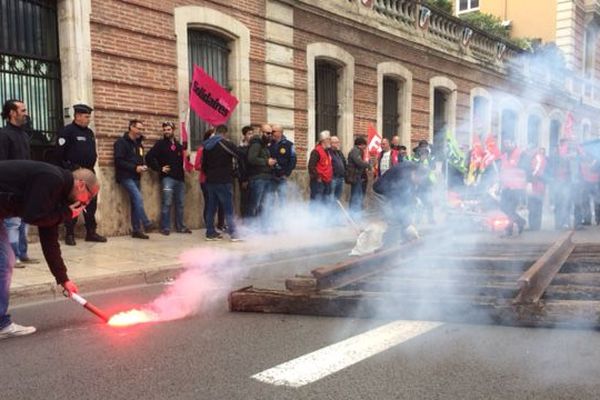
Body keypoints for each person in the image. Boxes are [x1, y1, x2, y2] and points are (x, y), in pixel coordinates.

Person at [0, 160, 92, 339]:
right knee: (4, 262)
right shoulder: (52, 179)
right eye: (87, 199)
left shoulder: (58, 195)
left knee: (6, 260)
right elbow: (33, 216)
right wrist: (65, 214)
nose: (85, 204)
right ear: (81, 185)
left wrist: (62, 278)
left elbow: (49, 238)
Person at [55, 103, 107, 245]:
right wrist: (71, 169)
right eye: (86, 116)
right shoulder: (67, 131)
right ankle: (70, 234)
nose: (88, 119)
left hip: (89, 173)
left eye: (89, 116)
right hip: (75, 173)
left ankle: (91, 232)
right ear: (77, 116)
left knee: (91, 203)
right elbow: (59, 155)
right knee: (74, 202)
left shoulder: (89, 132)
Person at [0, 99, 39, 267]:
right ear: (12, 113)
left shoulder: (24, 134)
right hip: (11, 187)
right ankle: (13, 256)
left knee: (25, 220)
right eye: (22, 110)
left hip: (26, 185)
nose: (26, 113)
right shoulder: (3, 134)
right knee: (13, 222)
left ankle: (23, 253)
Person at [146, 122, 191, 235]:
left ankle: (180, 227)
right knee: (167, 203)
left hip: (180, 179)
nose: (166, 131)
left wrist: (187, 157)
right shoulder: (160, 144)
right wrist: (159, 168)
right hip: (167, 179)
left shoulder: (180, 146)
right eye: (165, 129)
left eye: (168, 129)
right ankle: (165, 227)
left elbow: (184, 161)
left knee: (180, 204)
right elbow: (149, 157)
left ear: (173, 130)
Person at [114, 119, 155, 239]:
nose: (140, 131)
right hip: (125, 176)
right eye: (138, 128)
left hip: (137, 176)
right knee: (138, 198)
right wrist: (134, 167)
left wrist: (142, 166)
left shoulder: (139, 144)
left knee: (135, 202)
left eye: (142, 129)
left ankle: (136, 230)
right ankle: (146, 223)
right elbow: (118, 161)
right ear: (131, 127)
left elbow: (140, 159)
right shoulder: (121, 143)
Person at [201, 125, 242, 241]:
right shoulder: (227, 144)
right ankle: (234, 233)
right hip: (224, 180)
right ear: (225, 133)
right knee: (228, 207)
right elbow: (240, 155)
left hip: (210, 180)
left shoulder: (207, 145)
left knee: (211, 207)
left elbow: (203, 165)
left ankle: (210, 232)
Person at [194, 128, 225, 233]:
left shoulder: (220, 148)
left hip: (219, 180)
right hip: (206, 180)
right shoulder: (202, 149)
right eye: (212, 136)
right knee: (210, 204)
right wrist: (208, 166)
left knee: (222, 202)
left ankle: (221, 224)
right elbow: (197, 165)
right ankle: (209, 227)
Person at [247, 124, 276, 220]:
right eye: (267, 133)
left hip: (266, 177)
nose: (270, 135)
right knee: (254, 203)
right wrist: (266, 161)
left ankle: (260, 226)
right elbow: (251, 159)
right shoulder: (256, 144)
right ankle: (250, 226)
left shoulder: (264, 145)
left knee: (264, 204)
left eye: (271, 133)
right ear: (261, 132)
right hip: (258, 178)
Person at [499, 139, 527, 236]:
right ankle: (520, 221)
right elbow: (502, 170)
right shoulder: (504, 155)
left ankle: (509, 229)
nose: (506, 146)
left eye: (508, 143)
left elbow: (526, 169)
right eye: (505, 144)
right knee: (503, 207)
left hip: (516, 187)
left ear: (513, 143)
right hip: (506, 186)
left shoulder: (521, 154)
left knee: (510, 208)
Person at [269, 124, 297, 205]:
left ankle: (282, 215)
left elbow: (293, 160)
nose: (271, 133)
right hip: (270, 176)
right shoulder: (269, 143)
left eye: (273, 131)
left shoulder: (289, 145)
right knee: (269, 199)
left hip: (282, 176)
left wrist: (286, 173)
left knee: (282, 199)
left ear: (280, 132)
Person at [346, 136, 371, 218]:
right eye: (364, 145)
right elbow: (359, 162)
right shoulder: (355, 151)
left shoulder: (359, 151)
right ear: (361, 145)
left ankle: (357, 214)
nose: (365, 147)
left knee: (358, 196)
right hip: (356, 177)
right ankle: (353, 214)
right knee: (355, 196)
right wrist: (368, 165)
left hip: (359, 177)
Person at [308, 130, 333, 206]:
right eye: (329, 139)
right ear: (323, 140)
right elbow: (311, 166)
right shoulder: (316, 151)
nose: (330, 141)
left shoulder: (327, 151)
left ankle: (323, 217)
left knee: (325, 202)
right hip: (318, 182)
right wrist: (317, 177)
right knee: (316, 201)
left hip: (327, 181)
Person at [237, 125, 254, 218]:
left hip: (254, 177)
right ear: (244, 135)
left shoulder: (254, 147)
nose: (251, 136)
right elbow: (241, 165)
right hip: (244, 178)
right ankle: (245, 220)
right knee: (244, 199)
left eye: (252, 133)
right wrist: (244, 179)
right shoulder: (240, 148)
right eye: (249, 134)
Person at [329, 135, 346, 203]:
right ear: (331, 143)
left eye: (338, 142)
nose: (338, 144)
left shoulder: (338, 152)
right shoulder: (329, 152)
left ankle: (335, 212)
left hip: (341, 178)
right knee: (331, 197)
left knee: (337, 198)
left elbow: (344, 161)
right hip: (333, 178)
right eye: (335, 142)